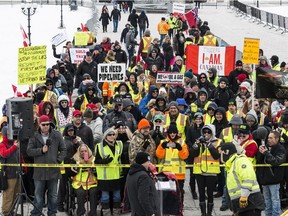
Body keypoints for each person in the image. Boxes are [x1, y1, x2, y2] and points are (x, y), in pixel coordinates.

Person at [27, 115, 66, 216]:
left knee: (53, 195)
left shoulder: (56, 135)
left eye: (48, 124)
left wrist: (58, 160)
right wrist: (41, 150)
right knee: (38, 196)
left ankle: (52, 213)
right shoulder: (34, 136)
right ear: (39, 125)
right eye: (43, 124)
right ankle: (36, 213)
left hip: (53, 171)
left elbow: (63, 149)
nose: (46, 126)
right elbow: (29, 151)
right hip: (39, 172)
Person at [220, 143, 265, 216]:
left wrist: (244, 196)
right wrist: (234, 208)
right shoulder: (231, 165)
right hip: (242, 205)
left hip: (250, 202)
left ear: (226, 152)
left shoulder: (240, 161)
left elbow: (248, 179)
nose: (220, 156)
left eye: (221, 152)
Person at [190, 124, 221, 216]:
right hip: (199, 171)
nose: (206, 134)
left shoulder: (218, 142)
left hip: (211, 172)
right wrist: (196, 145)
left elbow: (217, 156)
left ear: (212, 133)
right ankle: (203, 213)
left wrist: (209, 144)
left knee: (210, 193)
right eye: (204, 132)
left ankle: (209, 213)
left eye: (208, 132)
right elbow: (192, 154)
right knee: (201, 193)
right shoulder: (199, 141)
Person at [156, 122, 189, 204]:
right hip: (166, 173)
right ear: (168, 133)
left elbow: (185, 156)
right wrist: (161, 147)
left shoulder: (182, 142)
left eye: (174, 132)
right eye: (170, 132)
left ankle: (179, 209)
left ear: (177, 133)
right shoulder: (163, 142)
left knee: (179, 194)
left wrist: (180, 149)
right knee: (166, 195)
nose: (172, 134)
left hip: (179, 174)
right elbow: (159, 155)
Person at [95, 128, 123, 216]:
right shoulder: (99, 146)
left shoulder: (119, 144)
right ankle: (107, 214)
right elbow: (96, 162)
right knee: (105, 198)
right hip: (104, 177)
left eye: (113, 134)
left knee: (117, 197)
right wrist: (104, 161)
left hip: (116, 176)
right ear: (105, 136)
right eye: (109, 135)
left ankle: (116, 214)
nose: (112, 136)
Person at [256, 131, 286, 216]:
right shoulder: (265, 147)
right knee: (267, 200)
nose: (268, 140)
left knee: (275, 200)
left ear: (277, 139)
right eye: (268, 137)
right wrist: (260, 153)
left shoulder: (281, 149)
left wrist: (266, 153)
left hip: (274, 180)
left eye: (271, 138)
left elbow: (276, 161)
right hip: (265, 179)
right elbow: (259, 161)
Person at [126, 151, 161, 216]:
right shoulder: (143, 176)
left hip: (136, 211)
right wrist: (150, 213)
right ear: (143, 162)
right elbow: (143, 198)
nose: (149, 163)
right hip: (145, 213)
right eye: (148, 162)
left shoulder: (131, 174)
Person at [71, 144, 98, 216]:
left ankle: (93, 212)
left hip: (92, 182)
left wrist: (93, 168)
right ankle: (81, 212)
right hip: (79, 183)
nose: (84, 152)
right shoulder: (75, 159)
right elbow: (71, 172)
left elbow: (98, 172)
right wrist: (78, 167)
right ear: (79, 152)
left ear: (88, 151)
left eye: (85, 151)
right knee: (80, 193)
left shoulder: (93, 159)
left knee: (94, 192)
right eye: (82, 151)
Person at [0, 126, 20, 216]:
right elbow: (4, 154)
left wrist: (23, 167)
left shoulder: (14, 143)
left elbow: (20, 156)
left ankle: (12, 210)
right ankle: (6, 212)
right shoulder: (2, 144)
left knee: (16, 193)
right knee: (8, 194)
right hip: (8, 174)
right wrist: (14, 147)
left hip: (17, 172)